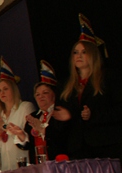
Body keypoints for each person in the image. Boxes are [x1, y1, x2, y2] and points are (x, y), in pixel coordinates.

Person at [51, 14, 122, 159]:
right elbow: (60, 125)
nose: (79, 56)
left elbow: (118, 109)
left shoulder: (108, 78)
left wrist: (93, 115)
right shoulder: (65, 86)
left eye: (84, 52)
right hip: (78, 150)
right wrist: (66, 117)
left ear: (93, 55)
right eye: (75, 52)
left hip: (106, 146)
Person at [13, 61, 68, 162]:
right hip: (38, 166)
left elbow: (64, 140)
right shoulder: (33, 117)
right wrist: (21, 135)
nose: (40, 96)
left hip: (59, 165)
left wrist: (43, 130)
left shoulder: (60, 114)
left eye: (45, 93)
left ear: (54, 94)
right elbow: (28, 146)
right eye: (37, 94)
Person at [0, 58, 35, 171]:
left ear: (13, 89)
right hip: (7, 169)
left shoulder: (25, 107)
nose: (2, 93)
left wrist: (3, 126)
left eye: (5, 89)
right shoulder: (0, 115)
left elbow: (27, 140)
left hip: (24, 167)